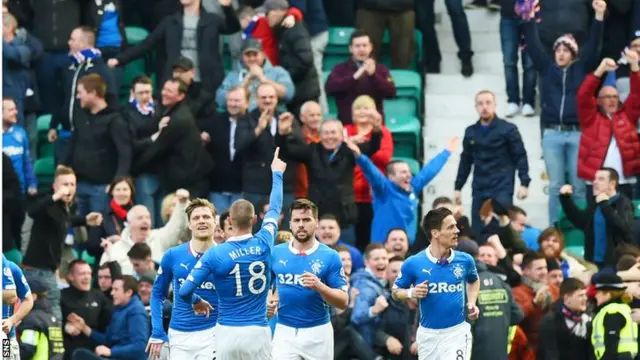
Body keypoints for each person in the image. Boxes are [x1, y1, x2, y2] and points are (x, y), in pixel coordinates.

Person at [178, 147, 286, 359]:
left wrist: (196, 300)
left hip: (226, 332)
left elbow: (184, 291)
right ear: (255, 220)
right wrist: (277, 174)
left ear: (229, 221)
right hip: (257, 331)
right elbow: (275, 207)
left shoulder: (215, 254)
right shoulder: (265, 241)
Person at [392, 207, 480, 359]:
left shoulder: (465, 260)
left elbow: (473, 280)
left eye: (456, 226)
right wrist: (412, 292)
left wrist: (472, 302)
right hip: (428, 336)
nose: (457, 231)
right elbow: (395, 292)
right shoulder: (414, 263)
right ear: (435, 233)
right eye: (451, 227)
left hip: (457, 333)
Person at [271, 198, 348, 359]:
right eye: (296, 220)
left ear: (316, 222)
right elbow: (261, 287)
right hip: (284, 331)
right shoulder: (275, 253)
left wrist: (320, 287)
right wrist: (267, 300)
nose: (301, 224)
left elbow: (343, 301)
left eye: (306, 220)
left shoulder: (331, 256)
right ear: (290, 224)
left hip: (318, 332)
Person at [147, 199, 219, 360]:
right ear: (189, 224)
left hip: (214, 332)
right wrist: (158, 331)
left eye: (206, 217)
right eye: (196, 218)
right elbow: (158, 295)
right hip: (179, 335)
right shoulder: (173, 255)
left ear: (215, 221)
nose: (201, 221)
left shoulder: (225, 255)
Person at [454, 90, 530, 234]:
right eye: (480, 103)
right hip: (479, 187)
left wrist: (524, 182)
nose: (484, 107)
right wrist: (458, 187)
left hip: (501, 187)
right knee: (477, 230)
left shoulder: (508, 129)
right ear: (476, 107)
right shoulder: (471, 132)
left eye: (488, 103)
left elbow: (520, 156)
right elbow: (466, 160)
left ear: (495, 105)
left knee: (501, 230)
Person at [67, 275, 149, 360]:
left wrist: (111, 352)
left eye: (116, 289)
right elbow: (108, 339)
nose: (112, 293)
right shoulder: (119, 309)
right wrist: (84, 328)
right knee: (79, 354)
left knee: (80, 355)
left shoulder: (137, 312)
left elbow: (140, 347)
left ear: (128, 292)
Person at [538, 278, 591, 360]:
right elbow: (550, 353)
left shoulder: (588, 319)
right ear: (567, 298)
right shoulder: (550, 321)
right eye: (580, 295)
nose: (585, 298)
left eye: (585, 295)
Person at [590, 273, 638, 360]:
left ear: (608, 294)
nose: (596, 296)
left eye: (598, 292)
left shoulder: (612, 311)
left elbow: (611, 345)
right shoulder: (623, 308)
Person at [18, 276, 65, 360]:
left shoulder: (32, 320)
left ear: (33, 296)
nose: (19, 299)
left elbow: (27, 349)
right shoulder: (52, 317)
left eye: (21, 295)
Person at [2, 254, 35, 360]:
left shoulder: (11, 269)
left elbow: (28, 300)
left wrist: (12, 320)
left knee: (6, 355)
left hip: (5, 338)